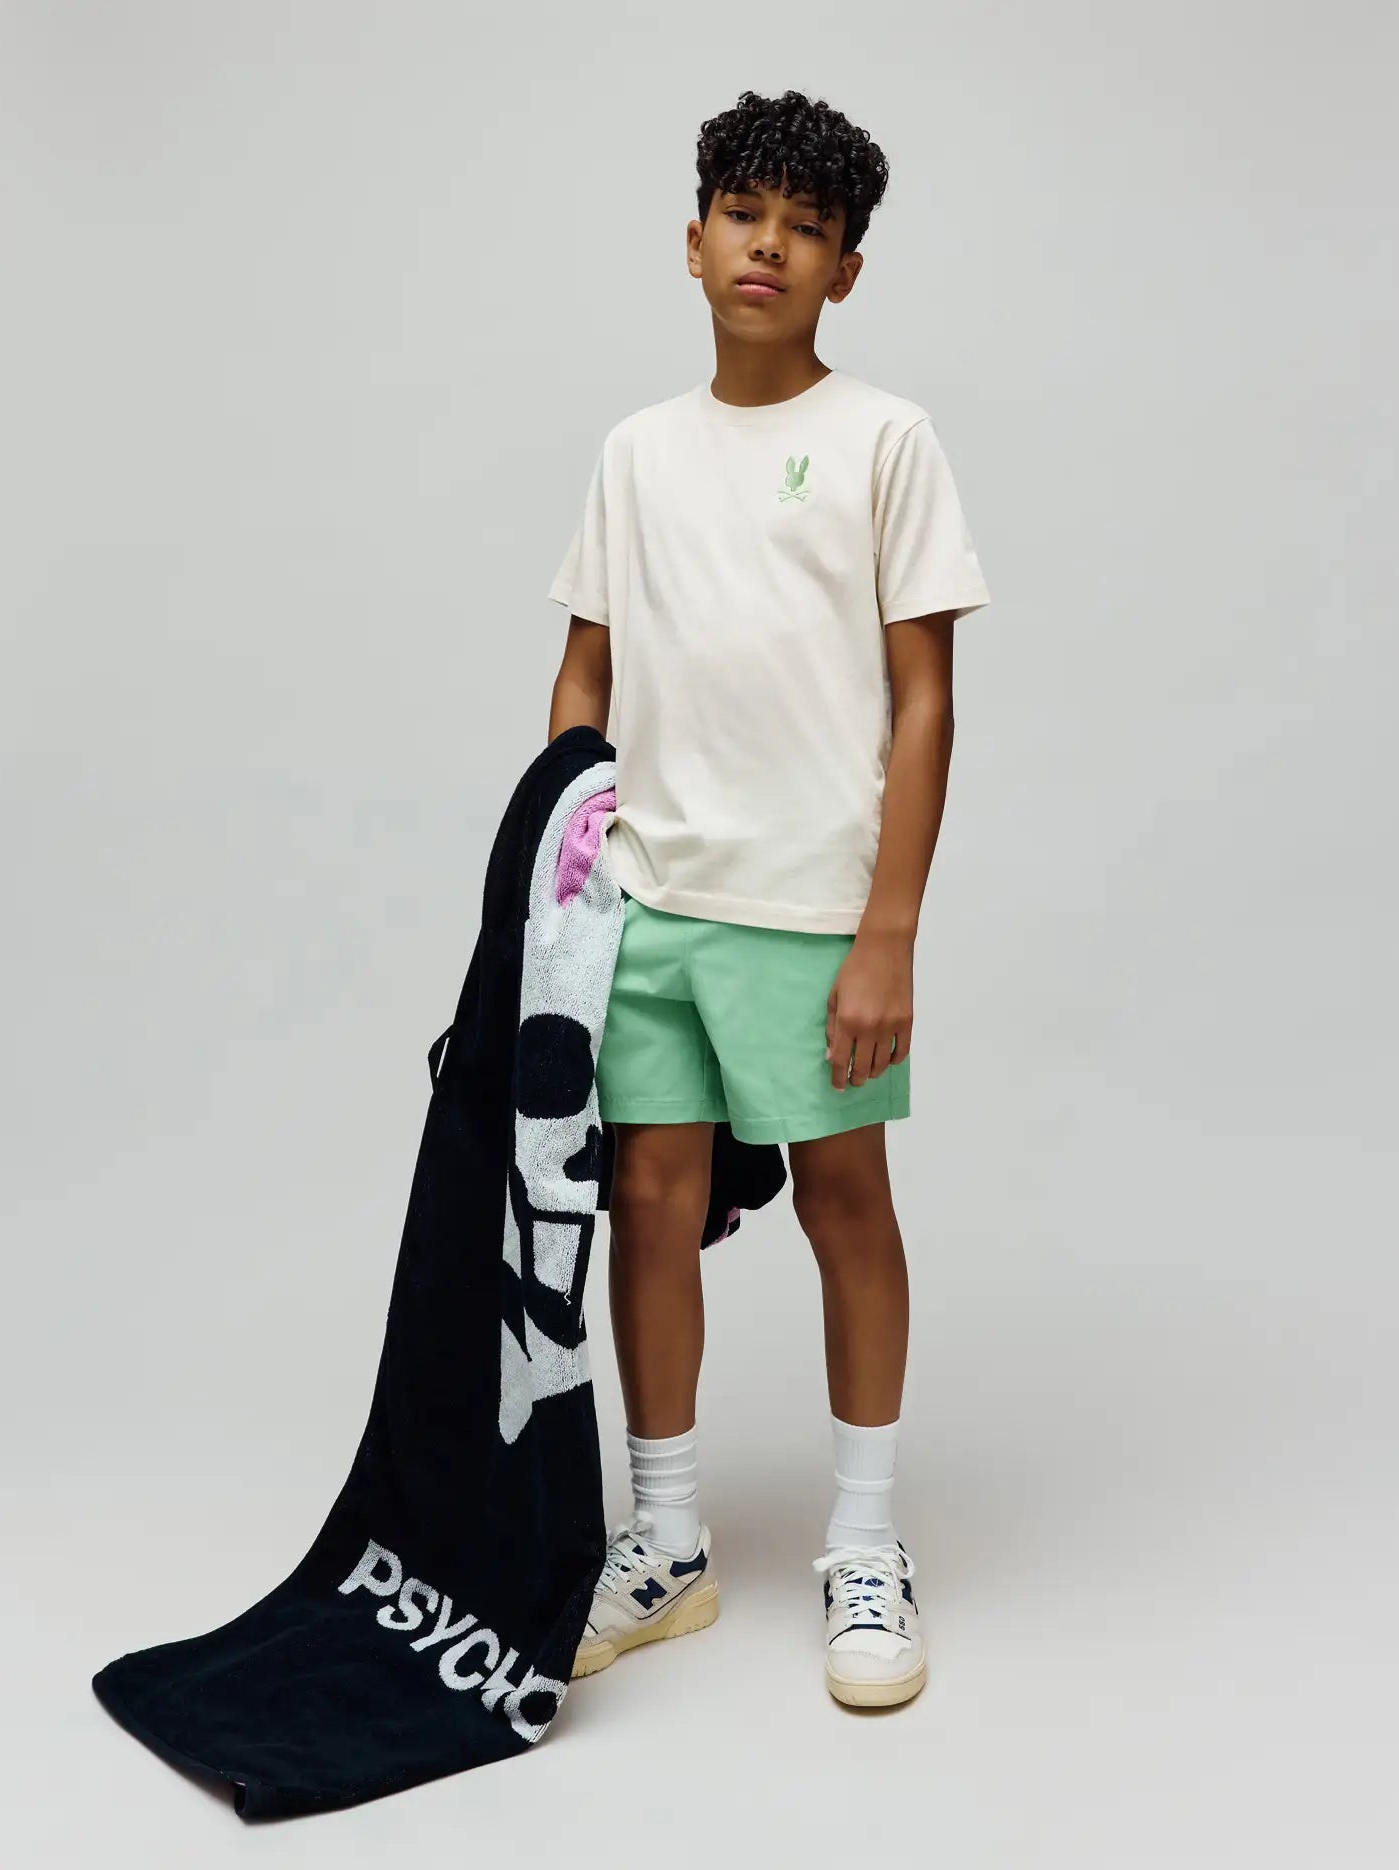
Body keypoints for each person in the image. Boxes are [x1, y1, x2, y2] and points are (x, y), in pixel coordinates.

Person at [544, 88, 990, 1709]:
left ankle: (865, 1541)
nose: (770, 247)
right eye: (746, 214)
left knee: (842, 1202)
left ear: (844, 271)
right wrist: (567, 883)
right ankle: (665, 1537)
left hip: (810, 915)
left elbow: (924, 699)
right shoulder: (636, 452)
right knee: (650, 1201)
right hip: (649, 905)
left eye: (808, 229)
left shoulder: (885, 440)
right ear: (694, 240)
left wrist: (889, 932)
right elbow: (585, 673)